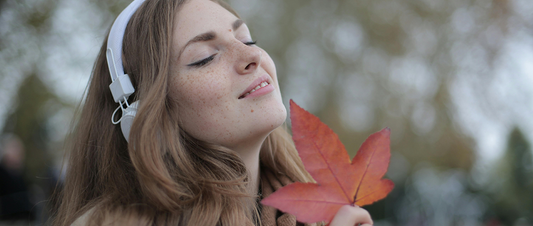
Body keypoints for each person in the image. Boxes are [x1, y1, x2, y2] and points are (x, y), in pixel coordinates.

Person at [52, 0, 374, 225]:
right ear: (140, 116)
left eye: (247, 38)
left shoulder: (327, 215)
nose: (251, 55)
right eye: (205, 57)